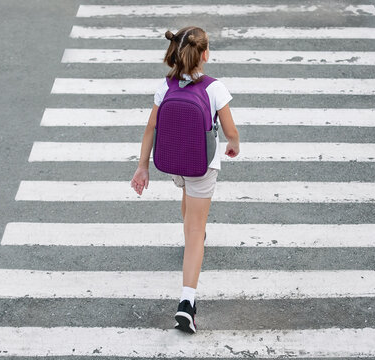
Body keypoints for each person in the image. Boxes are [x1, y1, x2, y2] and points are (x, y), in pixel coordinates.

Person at [130, 26, 240, 333]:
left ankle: (193, 239)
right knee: (196, 230)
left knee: (188, 199)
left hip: (173, 162)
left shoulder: (165, 87)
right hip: (202, 165)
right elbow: (230, 132)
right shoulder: (215, 88)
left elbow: (150, 128)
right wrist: (234, 145)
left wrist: (142, 167)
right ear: (205, 54)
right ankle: (186, 304)